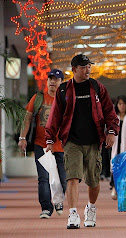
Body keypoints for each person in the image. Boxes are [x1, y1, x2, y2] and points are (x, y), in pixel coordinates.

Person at [45, 54, 119, 229]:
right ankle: (72, 214)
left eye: (89, 66)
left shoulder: (97, 87)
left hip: (94, 142)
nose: (88, 70)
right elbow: (54, 116)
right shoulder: (64, 90)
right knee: (72, 177)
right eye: (84, 67)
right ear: (74, 69)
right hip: (72, 142)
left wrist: (111, 132)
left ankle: (91, 208)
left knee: (93, 181)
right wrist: (49, 138)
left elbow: (110, 112)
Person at [18, 69, 67, 219]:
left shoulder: (66, 100)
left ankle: (58, 200)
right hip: (42, 144)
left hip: (62, 146)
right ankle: (46, 207)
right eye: (50, 79)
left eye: (56, 79)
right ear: (47, 81)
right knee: (43, 178)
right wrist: (22, 137)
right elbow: (27, 118)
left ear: (61, 82)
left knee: (63, 178)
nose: (52, 81)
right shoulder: (38, 98)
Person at [110, 95, 126, 200]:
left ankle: (123, 190)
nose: (122, 106)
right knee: (115, 167)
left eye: (124, 104)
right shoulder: (114, 118)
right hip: (115, 147)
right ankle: (114, 187)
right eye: (120, 104)